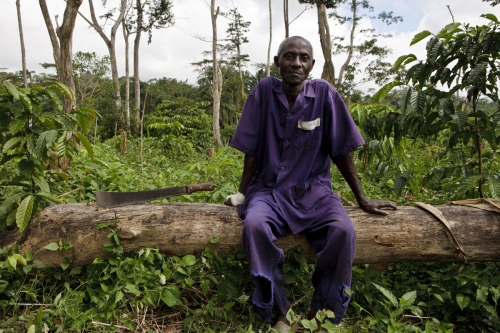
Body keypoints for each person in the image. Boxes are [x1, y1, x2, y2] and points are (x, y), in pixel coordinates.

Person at [224, 36, 396, 332]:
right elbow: (251, 148)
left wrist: (362, 199)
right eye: (289, 56)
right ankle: (279, 312)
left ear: (312, 65)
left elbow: (342, 150)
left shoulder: (324, 95)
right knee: (254, 226)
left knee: (343, 231)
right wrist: (243, 192)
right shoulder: (264, 91)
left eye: (304, 58)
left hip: (314, 192)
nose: (296, 63)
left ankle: (323, 315)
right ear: (277, 62)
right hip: (269, 191)